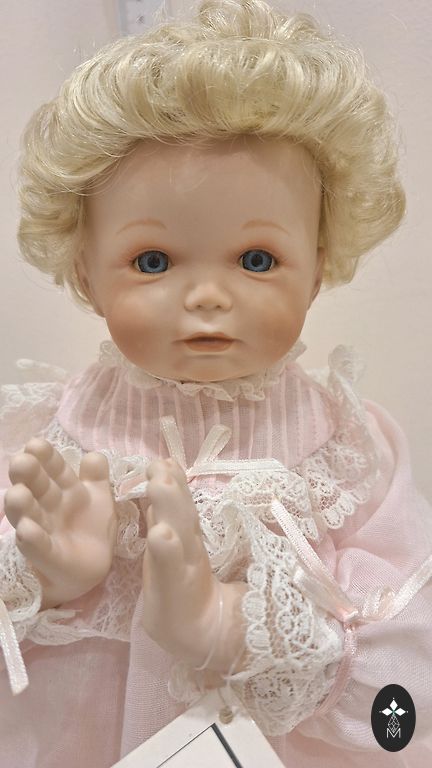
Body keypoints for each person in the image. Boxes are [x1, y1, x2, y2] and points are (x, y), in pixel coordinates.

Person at [1, 1, 431, 765]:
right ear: (85, 272)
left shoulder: (344, 449)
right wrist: (53, 577)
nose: (206, 295)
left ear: (319, 265)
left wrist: (233, 628)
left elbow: (408, 684)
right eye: (153, 261)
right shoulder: (51, 439)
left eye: (256, 260)